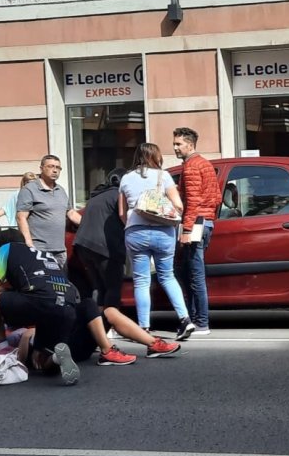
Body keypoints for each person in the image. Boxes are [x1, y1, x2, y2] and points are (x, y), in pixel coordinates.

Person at [0, 228, 81, 386]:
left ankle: (5, 354)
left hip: (39, 300)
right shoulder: (44, 255)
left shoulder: (6, 249)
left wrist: (10, 287)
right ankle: (56, 357)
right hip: (67, 307)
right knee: (44, 363)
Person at [119, 143, 195, 341]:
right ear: (156, 156)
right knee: (167, 276)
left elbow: (121, 212)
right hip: (163, 232)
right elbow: (178, 206)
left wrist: (134, 223)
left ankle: (143, 328)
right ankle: (185, 319)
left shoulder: (126, 178)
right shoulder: (163, 176)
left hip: (136, 232)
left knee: (142, 281)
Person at [14, 298, 180, 373]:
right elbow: (23, 338)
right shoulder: (9, 306)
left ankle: (153, 344)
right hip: (43, 345)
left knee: (106, 310)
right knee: (87, 305)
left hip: (67, 335)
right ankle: (106, 352)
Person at [173, 127, 221, 336]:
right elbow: (217, 197)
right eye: (175, 144)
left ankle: (201, 322)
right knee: (192, 272)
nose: (175, 148)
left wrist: (187, 229)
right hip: (207, 221)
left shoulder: (191, 166)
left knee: (195, 275)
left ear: (190, 145)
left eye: (178, 144)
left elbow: (192, 202)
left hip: (196, 224)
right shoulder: (206, 164)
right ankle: (195, 319)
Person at [72, 168, 127, 316]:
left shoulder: (97, 196)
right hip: (105, 246)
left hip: (83, 245)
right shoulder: (119, 196)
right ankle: (111, 323)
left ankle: (96, 323)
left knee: (98, 286)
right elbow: (126, 220)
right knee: (113, 287)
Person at [16, 155, 81, 268]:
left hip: (60, 251)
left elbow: (70, 213)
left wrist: (90, 225)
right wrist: (29, 243)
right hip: (40, 250)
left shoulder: (60, 190)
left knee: (61, 284)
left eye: (58, 167)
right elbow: (21, 217)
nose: (55, 170)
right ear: (41, 168)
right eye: (51, 166)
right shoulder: (29, 189)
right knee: (43, 284)